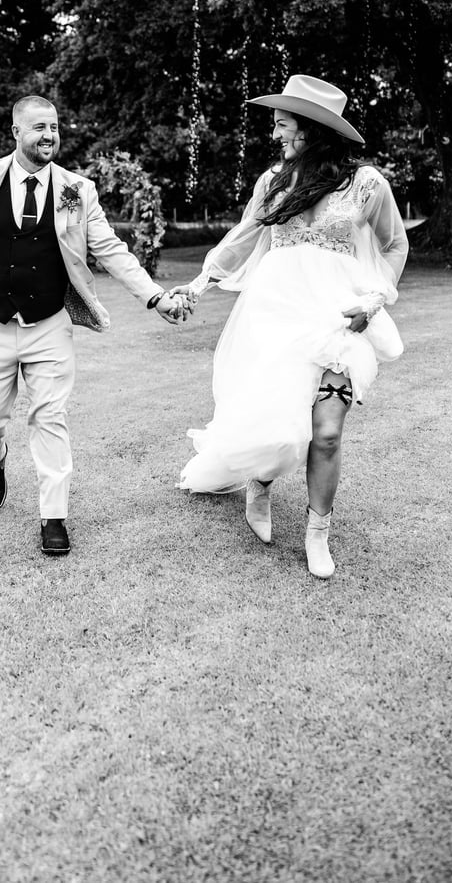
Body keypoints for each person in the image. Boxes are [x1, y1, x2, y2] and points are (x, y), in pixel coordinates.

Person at [0, 94, 187, 557]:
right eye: (39, 127)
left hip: (48, 325)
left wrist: (154, 295)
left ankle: (54, 517)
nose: (49, 136)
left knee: (50, 417)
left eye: (55, 127)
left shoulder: (77, 190)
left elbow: (111, 249)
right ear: (16, 132)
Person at [172, 74, 408, 578]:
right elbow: (242, 237)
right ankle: (258, 489)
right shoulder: (273, 181)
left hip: (341, 319)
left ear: (311, 128)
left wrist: (377, 297)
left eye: (282, 123)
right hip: (275, 316)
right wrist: (199, 282)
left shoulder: (367, 184)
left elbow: (395, 245)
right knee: (279, 424)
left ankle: (317, 532)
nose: (276, 132)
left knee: (325, 431)